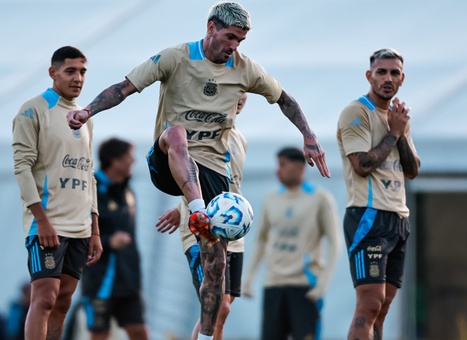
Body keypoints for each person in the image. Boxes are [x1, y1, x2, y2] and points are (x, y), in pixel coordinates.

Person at [66, 3, 331, 338]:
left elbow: (285, 99)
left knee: (218, 279)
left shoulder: (246, 69)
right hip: (167, 159)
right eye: (230, 36)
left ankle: (204, 335)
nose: (234, 45)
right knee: (177, 134)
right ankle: (197, 211)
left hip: (213, 176)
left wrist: (309, 136)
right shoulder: (175, 58)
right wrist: (87, 111)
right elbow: (123, 88)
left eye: (241, 40)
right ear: (210, 28)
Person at [12, 45, 103, 339]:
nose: (78, 78)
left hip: (81, 227)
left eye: (82, 72)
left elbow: (89, 175)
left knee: (63, 302)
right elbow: (22, 168)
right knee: (45, 298)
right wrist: (41, 219)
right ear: (53, 73)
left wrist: (95, 230)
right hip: (47, 224)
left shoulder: (85, 116)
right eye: (70, 71)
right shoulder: (33, 109)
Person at [336, 48, 420, 340]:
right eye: (381, 72)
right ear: (369, 75)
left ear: (402, 78)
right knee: (369, 304)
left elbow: (412, 169)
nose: (388, 78)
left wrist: (400, 130)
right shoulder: (356, 112)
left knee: (382, 307)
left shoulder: (397, 117)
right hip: (368, 215)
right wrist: (394, 134)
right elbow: (362, 165)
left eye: (394, 73)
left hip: (398, 218)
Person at [156, 93, 249, 340]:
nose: (238, 97)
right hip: (202, 230)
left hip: (233, 233)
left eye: (243, 91)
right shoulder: (199, 135)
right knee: (218, 307)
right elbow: (188, 177)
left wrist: (177, 208)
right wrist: (183, 208)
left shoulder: (240, 139)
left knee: (223, 307)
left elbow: (226, 186)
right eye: (233, 91)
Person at [242, 146, 341, 340]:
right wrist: (249, 279)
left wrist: (323, 284)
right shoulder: (272, 198)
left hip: (305, 287)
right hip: (273, 284)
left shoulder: (320, 198)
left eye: (282, 165)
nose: (277, 170)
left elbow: (335, 242)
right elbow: (261, 240)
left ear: (299, 166)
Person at [80, 137, 149, 340]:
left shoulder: (128, 192)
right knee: (100, 334)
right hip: (101, 280)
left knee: (140, 332)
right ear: (114, 160)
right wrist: (109, 242)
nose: (133, 161)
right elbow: (78, 233)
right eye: (129, 156)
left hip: (129, 280)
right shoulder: (90, 190)